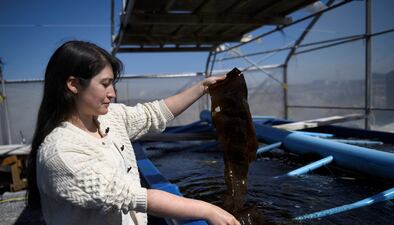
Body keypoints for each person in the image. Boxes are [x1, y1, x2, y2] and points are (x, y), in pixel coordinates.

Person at [26, 40, 240, 225]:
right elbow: (131, 196)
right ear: (73, 85)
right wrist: (209, 210)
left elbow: (153, 114)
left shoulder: (107, 118)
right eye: (105, 84)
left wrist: (203, 87)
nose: (112, 93)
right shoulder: (61, 153)